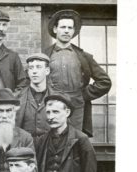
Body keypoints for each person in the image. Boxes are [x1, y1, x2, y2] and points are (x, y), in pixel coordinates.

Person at [44, 9, 111, 137]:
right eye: (63, 27)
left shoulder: (84, 57)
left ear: (74, 31)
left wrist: (84, 94)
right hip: (51, 107)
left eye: (70, 28)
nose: (66, 31)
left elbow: (105, 82)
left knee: (75, 143)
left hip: (77, 108)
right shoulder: (45, 55)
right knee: (51, 142)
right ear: (55, 29)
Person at [15, 53, 62, 138]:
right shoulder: (17, 98)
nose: (34, 71)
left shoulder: (59, 98)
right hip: (25, 148)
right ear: (28, 72)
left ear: (47, 71)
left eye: (38, 67)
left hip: (50, 148)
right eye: (31, 68)